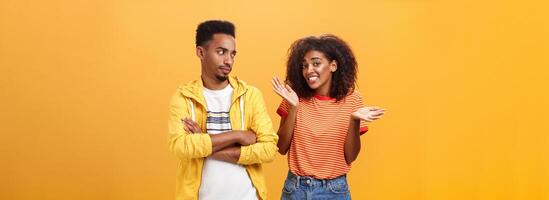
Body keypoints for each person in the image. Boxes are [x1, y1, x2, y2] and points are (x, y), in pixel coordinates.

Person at [168, 20, 278, 200]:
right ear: (201, 52)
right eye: (221, 52)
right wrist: (237, 136)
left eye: (233, 54)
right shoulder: (184, 97)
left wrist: (204, 140)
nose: (229, 60)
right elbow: (180, 146)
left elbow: (268, 149)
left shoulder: (250, 95)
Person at [272, 34, 385, 200]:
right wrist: (294, 108)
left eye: (316, 63)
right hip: (295, 190)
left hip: (334, 191)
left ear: (333, 65)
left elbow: (350, 156)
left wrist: (354, 121)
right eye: (304, 66)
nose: (309, 70)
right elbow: (281, 148)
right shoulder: (293, 96)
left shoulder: (353, 99)